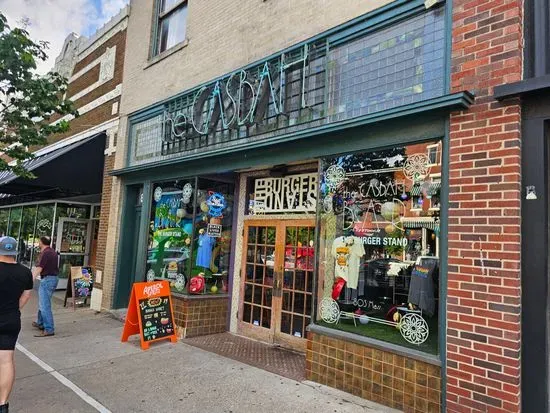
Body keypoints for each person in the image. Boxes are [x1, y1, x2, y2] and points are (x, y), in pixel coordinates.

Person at [0, 236, 33, 413]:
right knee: (6, 361)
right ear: (15, 251)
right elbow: (26, 296)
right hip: (11, 320)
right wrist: (13, 308)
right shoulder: (25, 272)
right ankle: (3, 404)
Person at [31, 236, 59, 337]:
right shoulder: (52, 251)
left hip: (47, 280)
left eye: (39, 241)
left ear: (41, 242)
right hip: (51, 279)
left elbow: (39, 268)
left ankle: (49, 329)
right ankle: (40, 322)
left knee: (44, 305)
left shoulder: (46, 253)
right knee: (43, 302)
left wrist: (31, 280)